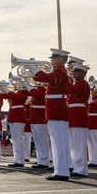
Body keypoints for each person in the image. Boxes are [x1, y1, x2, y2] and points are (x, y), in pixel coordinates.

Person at [34, 49, 72, 181]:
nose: (51, 60)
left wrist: (33, 68)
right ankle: (60, 169)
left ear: (61, 59)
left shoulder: (60, 72)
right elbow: (41, 78)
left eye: (54, 58)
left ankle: (61, 171)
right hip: (55, 110)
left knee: (59, 143)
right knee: (57, 142)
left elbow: (44, 77)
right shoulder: (58, 72)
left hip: (57, 110)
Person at [66, 63, 91, 176]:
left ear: (83, 73)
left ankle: (81, 169)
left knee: (79, 145)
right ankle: (76, 167)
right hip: (73, 116)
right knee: (74, 145)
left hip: (79, 116)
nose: (73, 73)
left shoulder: (83, 84)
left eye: (76, 72)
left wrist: (65, 79)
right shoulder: (77, 83)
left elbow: (70, 89)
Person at [0, 81, 29, 167]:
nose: (15, 84)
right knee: (15, 140)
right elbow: (4, 95)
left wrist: (5, 88)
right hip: (14, 116)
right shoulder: (16, 91)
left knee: (18, 139)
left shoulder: (23, 92)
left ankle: (20, 160)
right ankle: (17, 159)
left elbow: (15, 97)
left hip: (18, 116)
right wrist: (1, 89)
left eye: (17, 82)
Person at [27, 82, 50, 169]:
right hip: (35, 119)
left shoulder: (43, 91)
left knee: (42, 141)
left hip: (40, 120)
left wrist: (27, 85)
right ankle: (41, 160)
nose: (36, 83)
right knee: (37, 142)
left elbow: (35, 93)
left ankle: (44, 161)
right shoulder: (37, 90)